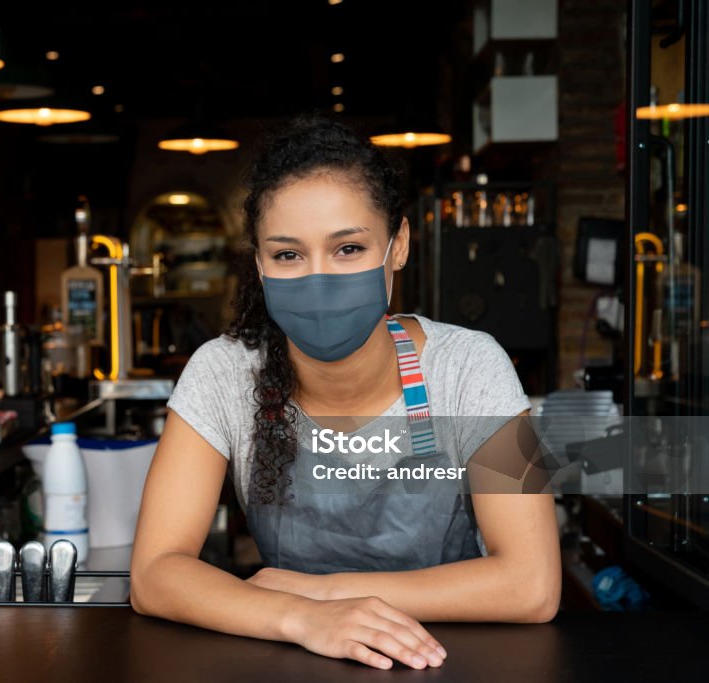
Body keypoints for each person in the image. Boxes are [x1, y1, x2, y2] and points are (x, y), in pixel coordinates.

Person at [130, 115, 560, 670]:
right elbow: (155, 572)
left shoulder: (474, 368)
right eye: (287, 254)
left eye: (349, 249)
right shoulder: (223, 375)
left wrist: (328, 594)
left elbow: (533, 583)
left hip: (446, 660)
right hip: (290, 657)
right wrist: (300, 619)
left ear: (397, 245)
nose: (319, 278)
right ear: (259, 264)